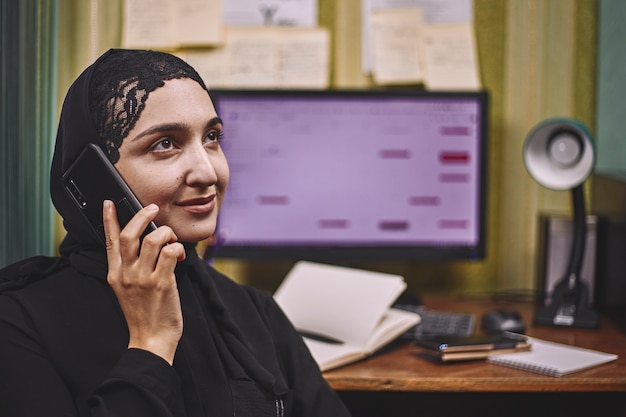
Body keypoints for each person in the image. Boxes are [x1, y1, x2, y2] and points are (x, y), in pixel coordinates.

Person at [0, 49, 351, 417]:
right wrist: (151, 344)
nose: (208, 172)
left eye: (212, 137)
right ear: (96, 177)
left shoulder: (253, 312)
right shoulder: (18, 322)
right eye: (165, 143)